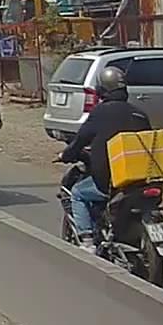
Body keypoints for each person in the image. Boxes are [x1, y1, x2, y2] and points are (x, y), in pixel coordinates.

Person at [56, 67, 151, 252]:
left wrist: (66, 155)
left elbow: (81, 139)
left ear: (102, 90)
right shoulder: (139, 114)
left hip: (110, 181)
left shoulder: (100, 112)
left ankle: (87, 241)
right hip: (141, 179)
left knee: (77, 193)